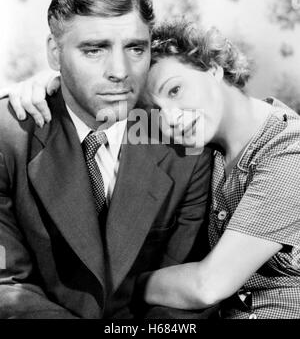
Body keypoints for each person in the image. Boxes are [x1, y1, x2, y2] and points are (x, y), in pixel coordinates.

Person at [11, 20, 300, 319]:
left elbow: (208, 285)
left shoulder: (290, 149)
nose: (171, 119)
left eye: (175, 90)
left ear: (212, 69)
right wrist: (48, 84)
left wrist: (123, 285)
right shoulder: (199, 142)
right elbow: (91, 104)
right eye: (155, 110)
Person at [0, 0, 214, 319]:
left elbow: (181, 295)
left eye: (135, 48)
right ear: (55, 54)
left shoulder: (185, 144)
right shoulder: (8, 135)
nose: (120, 71)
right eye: (94, 50)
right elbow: (6, 286)